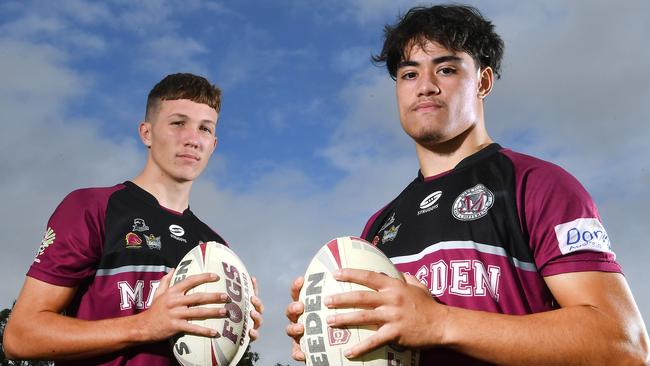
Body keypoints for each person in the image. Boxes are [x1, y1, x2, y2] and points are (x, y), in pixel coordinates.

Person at [286, 5, 649, 365]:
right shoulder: (380, 226)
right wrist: (333, 337)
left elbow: (624, 344)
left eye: (445, 69)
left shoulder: (536, 185)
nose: (425, 87)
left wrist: (440, 322)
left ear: (483, 81)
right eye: (409, 75)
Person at [3, 73, 264, 365]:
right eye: (178, 123)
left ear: (213, 144)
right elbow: (21, 337)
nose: (192, 139)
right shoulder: (93, 207)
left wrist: (235, 335)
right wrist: (145, 326)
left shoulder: (215, 246)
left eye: (204, 129)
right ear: (146, 133)